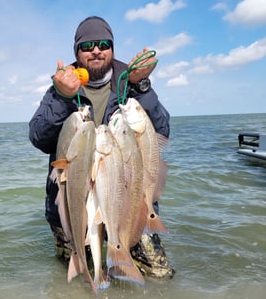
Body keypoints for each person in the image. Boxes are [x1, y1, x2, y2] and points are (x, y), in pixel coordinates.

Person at [29, 16, 174, 279]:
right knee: (72, 283)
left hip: (126, 199)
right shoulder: (62, 84)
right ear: (77, 52)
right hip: (73, 201)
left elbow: (161, 130)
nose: (96, 50)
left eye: (103, 44)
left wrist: (142, 85)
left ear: (112, 48)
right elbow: (39, 138)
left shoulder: (130, 80)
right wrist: (62, 97)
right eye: (87, 45)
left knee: (158, 275)